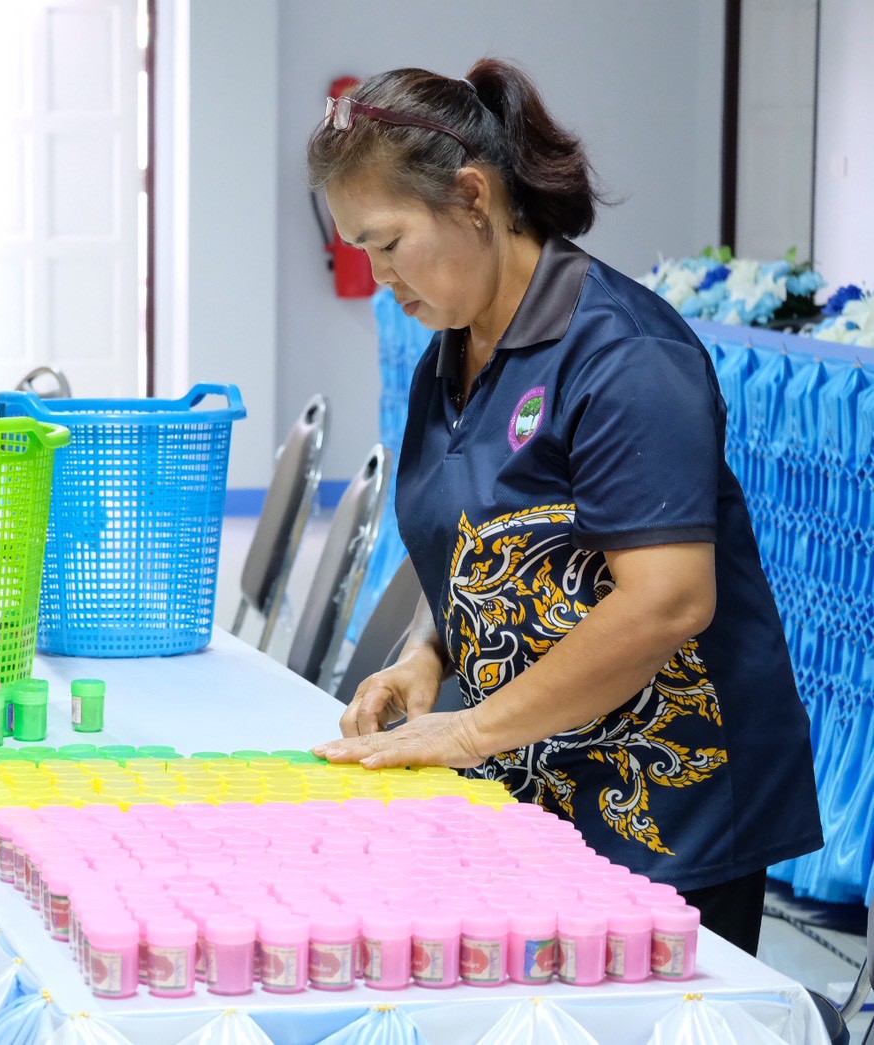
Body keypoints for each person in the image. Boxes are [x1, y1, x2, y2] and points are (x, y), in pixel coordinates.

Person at [306, 59, 821, 954]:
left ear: (471, 196)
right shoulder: (452, 350)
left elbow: (666, 600)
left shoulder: (623, 355)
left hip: (665, 808)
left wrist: (468, 730)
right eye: (361, 251)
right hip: (531, 789)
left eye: (387, 243)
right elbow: (477, 534)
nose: (380, 274)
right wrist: (426, 656)